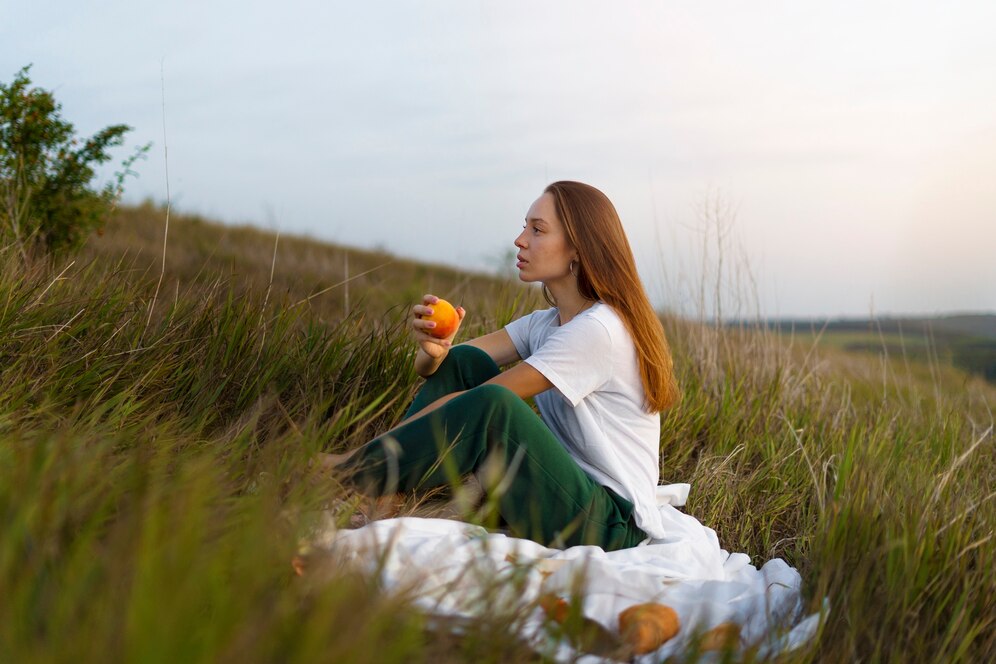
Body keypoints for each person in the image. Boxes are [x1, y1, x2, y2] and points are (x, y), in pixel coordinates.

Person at [322, 181, 680, 551]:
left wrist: (351, 460)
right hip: (559, 490)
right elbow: (443, 369)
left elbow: (485, 404)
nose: (520, 240)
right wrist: (435, 349)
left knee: (495, 405)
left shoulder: (599, 331)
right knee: (465, 361)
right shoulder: (546, 323)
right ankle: (387, 488)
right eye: (525, 226)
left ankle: (354, 475)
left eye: (537, 230)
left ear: (578, 247)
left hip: (607, 523)